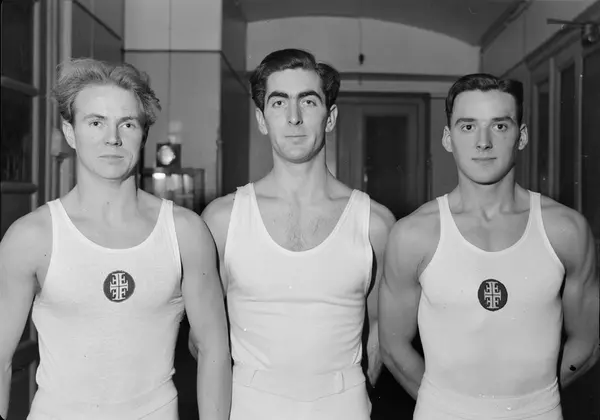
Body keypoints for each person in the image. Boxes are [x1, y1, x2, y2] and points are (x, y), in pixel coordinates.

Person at [0, 58, 231, 420]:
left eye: (127, 123)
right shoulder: (32, 236)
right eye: (96, 122)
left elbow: (213, 348)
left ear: (143, 133)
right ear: (70, 132)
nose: (113, 138)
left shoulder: (185, 231)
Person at [379, 73, 600, 420]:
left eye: (499, 126)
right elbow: (392, 347)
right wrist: (450, 405)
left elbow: (588, 343)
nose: (483, 142)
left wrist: (533, 402)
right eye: (468, 127)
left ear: (521, 136)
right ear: (448, 138)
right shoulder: (414, 234)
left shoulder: (565, 230)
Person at [194, 48, 395, 420]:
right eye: (278, 102)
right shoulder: (223, 220)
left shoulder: (375, 224)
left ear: (330, 117)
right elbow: (203, 341)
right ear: (261, 119)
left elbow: (382, 331)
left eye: (308, 101)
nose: (293, 117)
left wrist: (347, 389)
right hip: (250, 406)